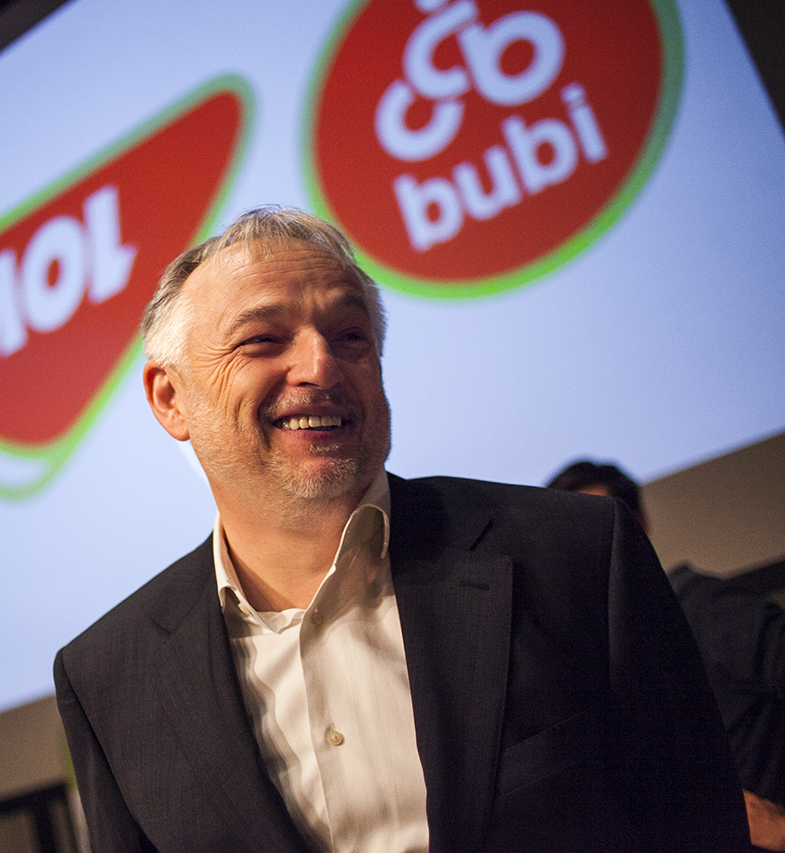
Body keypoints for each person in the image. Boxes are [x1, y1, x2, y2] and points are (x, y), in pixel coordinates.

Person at [53, 207, 749, 852]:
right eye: (263, 339)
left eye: (350, 336)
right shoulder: (109, 679)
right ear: (170, 398)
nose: (321, 365)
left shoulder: (578, 554)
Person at [547, 458, 785, 851]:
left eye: (592, 529)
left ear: (636, 528)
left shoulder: (699, 605)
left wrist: (777, 828)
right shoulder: (584, 660)